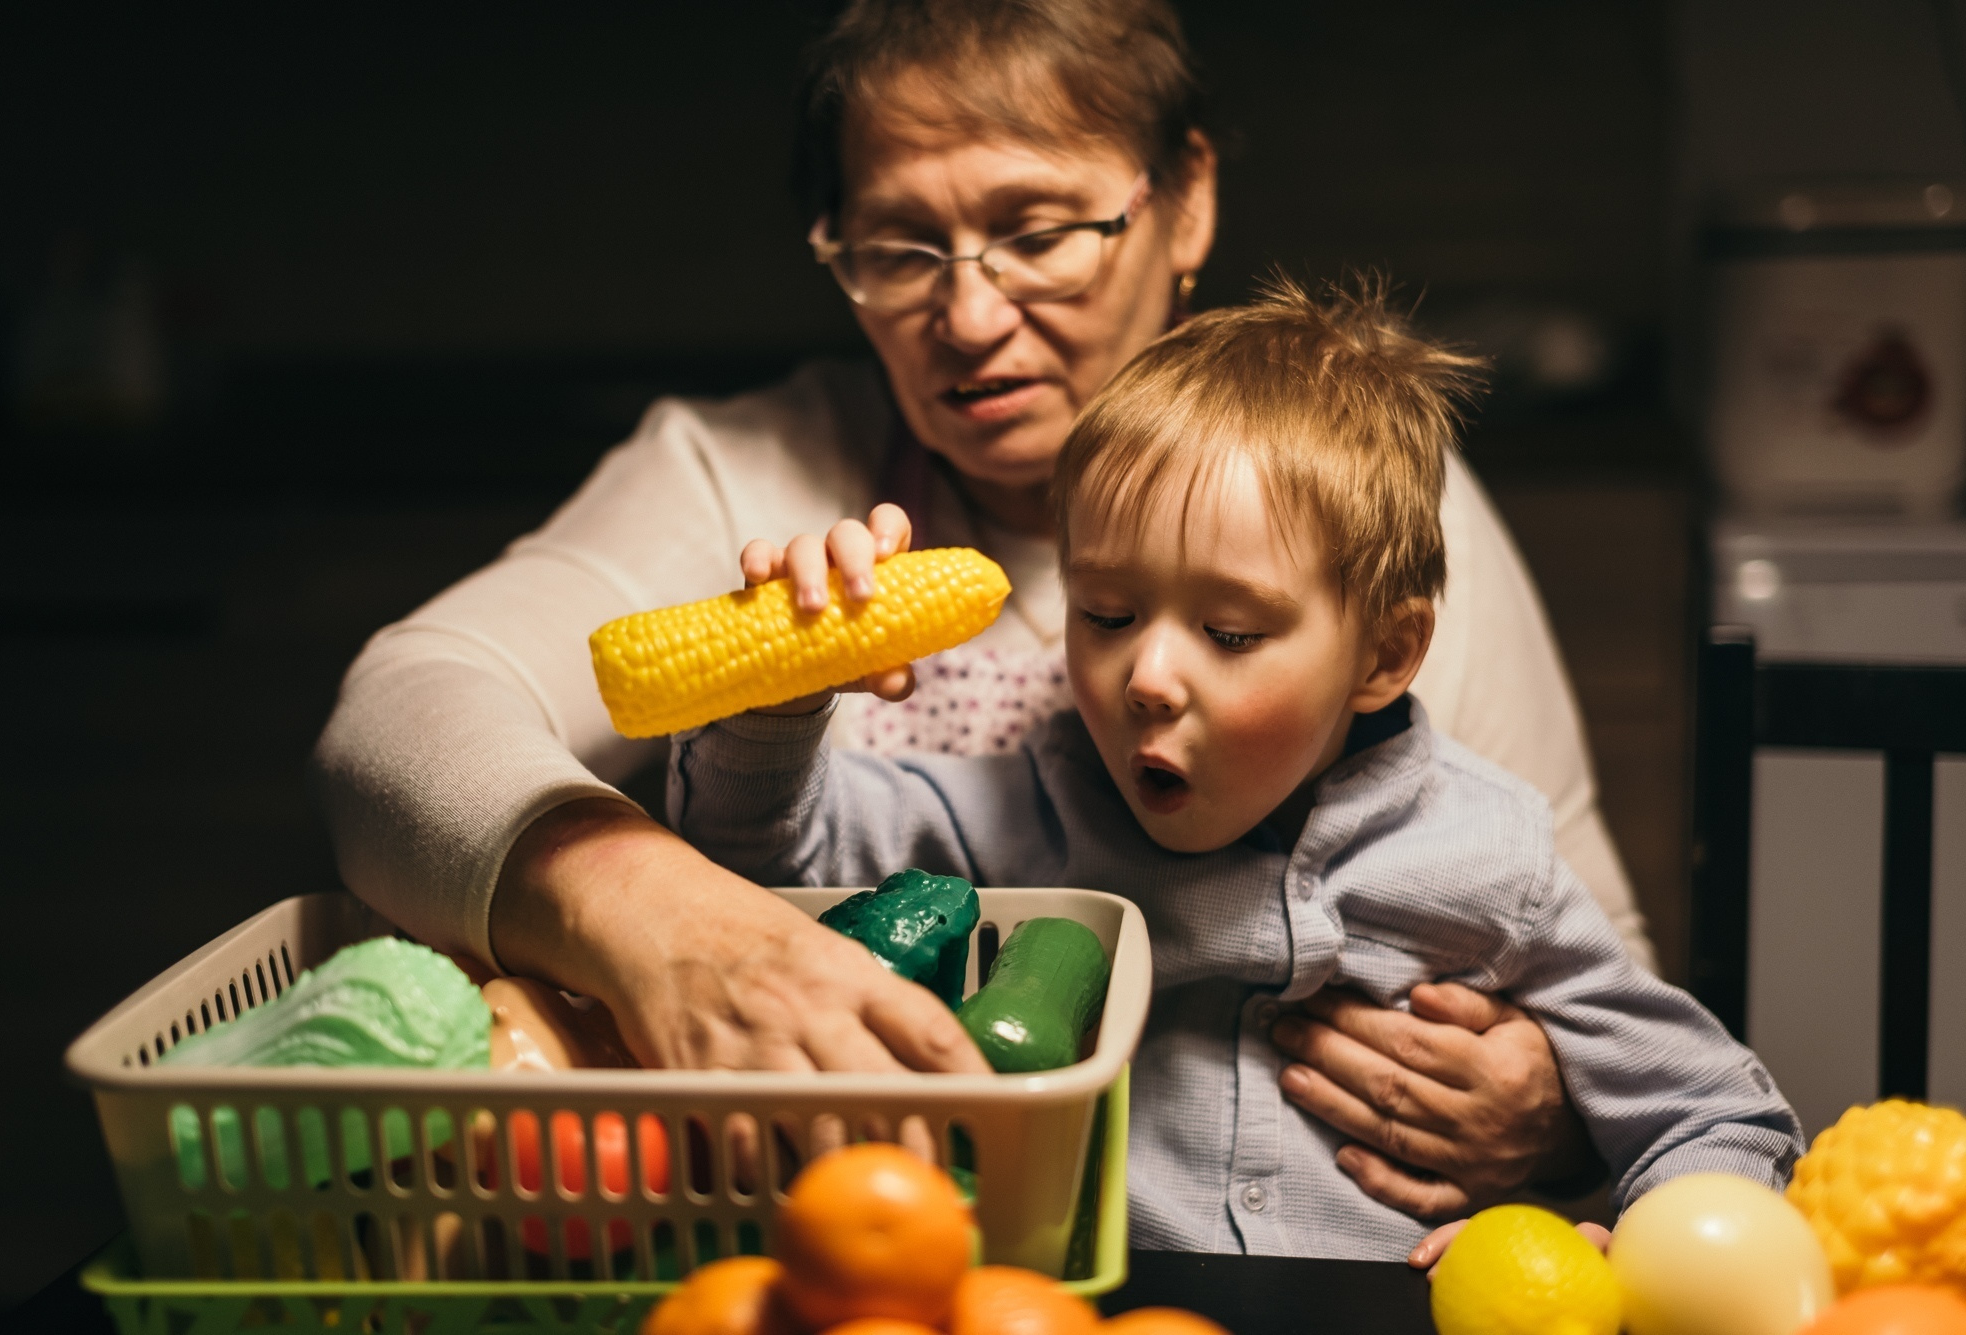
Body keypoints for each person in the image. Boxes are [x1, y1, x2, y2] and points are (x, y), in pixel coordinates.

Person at [311, 0, 1651, 1224]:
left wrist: (1549, 1110)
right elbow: (397, 716)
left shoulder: (1350, 497)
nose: (965, 314)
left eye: (1040, 232)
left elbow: (1597, 961)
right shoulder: (738, 477)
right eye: (899, 249)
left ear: (1185, 203)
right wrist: (653, 911)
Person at [667, 282, 1801, 1259]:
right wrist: (778, 695)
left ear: (1384, 654)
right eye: (1106, 614)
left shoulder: (1491, 858)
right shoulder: (1024, 812)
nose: (1147, 677)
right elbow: (757, 861)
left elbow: (1718, 1117)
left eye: (1230, 633)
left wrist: (1640, 1250)